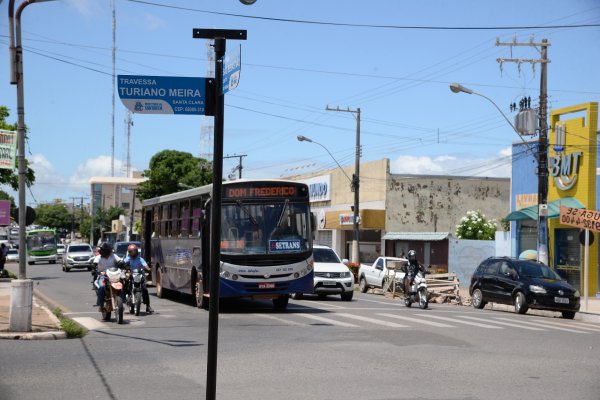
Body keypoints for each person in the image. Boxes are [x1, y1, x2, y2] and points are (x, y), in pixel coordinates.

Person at [123, 243, 153, 314]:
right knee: (124, 284)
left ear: (137, 251)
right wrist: (123, 267)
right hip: (131, 275)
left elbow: (145, 265)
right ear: (129, 252)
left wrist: (148, 269)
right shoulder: (127, 259)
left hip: (139, 274)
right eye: (131, 251)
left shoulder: (140, 258)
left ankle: (148, 306)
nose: (133, 253)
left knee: (144, 289)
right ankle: (124, 299)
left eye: (134, 251)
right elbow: (122, 264)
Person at [93, 242, 122, 309]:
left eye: (101, 250)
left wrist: (122, 264)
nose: (100, 251)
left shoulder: (113, 256)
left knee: (122, 283)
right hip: (103, 276)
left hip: (114, 275)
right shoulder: (98, 257)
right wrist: (93, 268)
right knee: (102, 287)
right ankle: (101, 304)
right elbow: (94, 264)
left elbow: (120, 261)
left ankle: (123, 299)